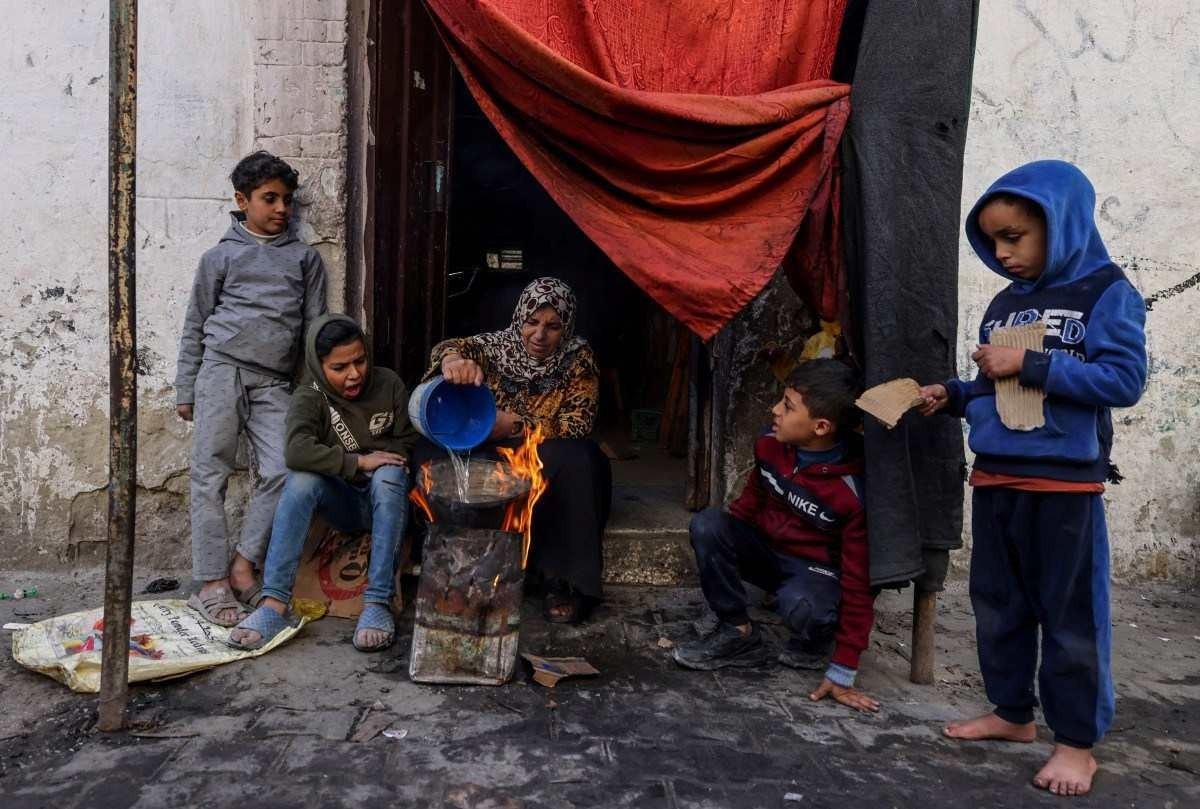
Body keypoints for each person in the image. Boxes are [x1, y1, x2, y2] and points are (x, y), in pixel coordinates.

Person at [919, 160, 1147, 797]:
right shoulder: (1006, 301)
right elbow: (997, 385)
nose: (1002, 253)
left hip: (1064, 488)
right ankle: (1013, 713)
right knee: (998, 605)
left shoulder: (1106, 292)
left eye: (1014, 236)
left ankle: (1076, 743)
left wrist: (1032, 362)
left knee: (1071, 616)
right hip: (996, 479)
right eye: (992, 240)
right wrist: (955, 394)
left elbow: (1123, 380)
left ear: (1060, 222)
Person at [672, 359, 879, 713]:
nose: (775, 411)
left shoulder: (852, 491)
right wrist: (722, 555)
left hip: (815, 572)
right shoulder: (770, 446)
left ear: (821, 426)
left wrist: (844, 668)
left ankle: (816, 638)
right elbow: (747, 507)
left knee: (806, 609)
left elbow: (860, 582)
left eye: (788, 406)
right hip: (769, 554)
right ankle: (738, 632)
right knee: (708, 524)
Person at [174, 151, 327, 627]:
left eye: (287, 200)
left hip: (274, 383)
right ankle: (210, 582)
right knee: (210, 476)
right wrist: (186, 387)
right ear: (242, 201)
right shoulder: (219, 257)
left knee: (284, 468)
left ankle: (243, 566)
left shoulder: (304, 259)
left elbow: (314, 331)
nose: (282, 208)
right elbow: (196, 323)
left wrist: (309, 393)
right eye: (270, 198)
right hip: (220, 371)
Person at [419, 277, 610, 624]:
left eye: (553, 326)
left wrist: (516, 426)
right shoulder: (494, 347)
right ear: (519, 318)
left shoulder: (578, 358)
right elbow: (450, 346)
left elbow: (577, 423)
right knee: (427, 455)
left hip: (545, 457)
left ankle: (563, 582)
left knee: (581, 457)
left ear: (566, 327)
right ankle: (455, 572)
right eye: (532, 322)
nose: (540, 335)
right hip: (494, 457)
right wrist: (453, 360)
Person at [227, 315, 417, 652]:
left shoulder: (389, 384)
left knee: (389, 474)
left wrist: (380, 464)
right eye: (339, 367)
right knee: (302, 479)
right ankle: (274, 605)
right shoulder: (310, 396)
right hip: (343, 504)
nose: (354, 374)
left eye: (360, 361)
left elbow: (407, 444)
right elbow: (296, 451)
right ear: (319, 365)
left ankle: (377, 602)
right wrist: (358, 462)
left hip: (388, 500)